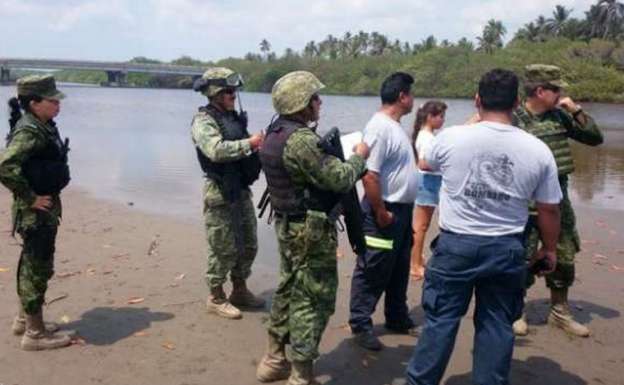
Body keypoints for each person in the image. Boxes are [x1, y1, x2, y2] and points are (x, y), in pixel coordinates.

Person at [405, 69, 563, 385]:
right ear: (517, 102)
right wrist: (549, 249)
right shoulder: (537, 149)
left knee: (440, 322)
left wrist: (469, 126)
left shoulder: (450, 138)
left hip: (456, 247)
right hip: (506, 249)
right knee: (496, 325)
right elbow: (549, 208)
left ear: (477, 100)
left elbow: (425, 164)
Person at [255, 71, 369, 385]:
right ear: (303, 105)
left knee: (289, 287)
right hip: (310, 229)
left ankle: (274, 359)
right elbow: (340, 178)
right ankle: (301, 374)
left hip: (288, 224)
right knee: (314, 298)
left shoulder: (275, 133)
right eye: (315, 98)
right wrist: (360, 158)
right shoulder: (301, 140)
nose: (320, 103)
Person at [512, 64, 603, 337]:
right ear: (540, 91)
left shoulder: (561, 117)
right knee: (522, 256)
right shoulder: (513, 119)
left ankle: (559, 311)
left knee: (564, 254)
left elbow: (595, 138)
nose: (561, 93)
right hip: (523, 202)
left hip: (558, 199)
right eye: (556, 88)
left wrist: (575, 109)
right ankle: (517, 311)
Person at [0, 75, 72, 350]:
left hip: (42, 209)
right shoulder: (29, 130)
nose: (58, 105)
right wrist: (30, 198)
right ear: (34, 103)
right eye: (52, 101)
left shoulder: (41, 125)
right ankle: (35, 334)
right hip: (36, 212)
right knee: (37, 268)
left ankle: (23, 320)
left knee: (32, 265)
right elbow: (5, 166)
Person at [348, 72, 419, 351]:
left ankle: (396, 316)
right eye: (411, 94)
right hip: (384, 210)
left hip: (401, 211)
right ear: (402, 96)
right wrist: (380, 211)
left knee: (399, 267)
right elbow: (369, 175)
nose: (414, 100)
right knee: (373, 267)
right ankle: (361, 323)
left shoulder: (394, 126)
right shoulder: (379, 127)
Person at [191, 67, 265, 320]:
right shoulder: (203, 121)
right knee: (222, 247)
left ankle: (240, 290)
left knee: (248, 244)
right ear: (216, 93)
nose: (234, 96)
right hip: (219, 191)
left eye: (234, 92)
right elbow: (215, 150)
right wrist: (250, 144)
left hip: (240, 190)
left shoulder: (233, 118)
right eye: (229, 92)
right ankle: (216, 297)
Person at [410, 101, 447, 280]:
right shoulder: (427, 137)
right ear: (430, 117)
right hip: (428, 182)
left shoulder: (427, 135)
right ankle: (415, 265)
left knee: (421, 226)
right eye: (440, 116)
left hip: (430, 182)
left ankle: (416, 259)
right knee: (421, 226)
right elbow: (424, 164)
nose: (443, 120)